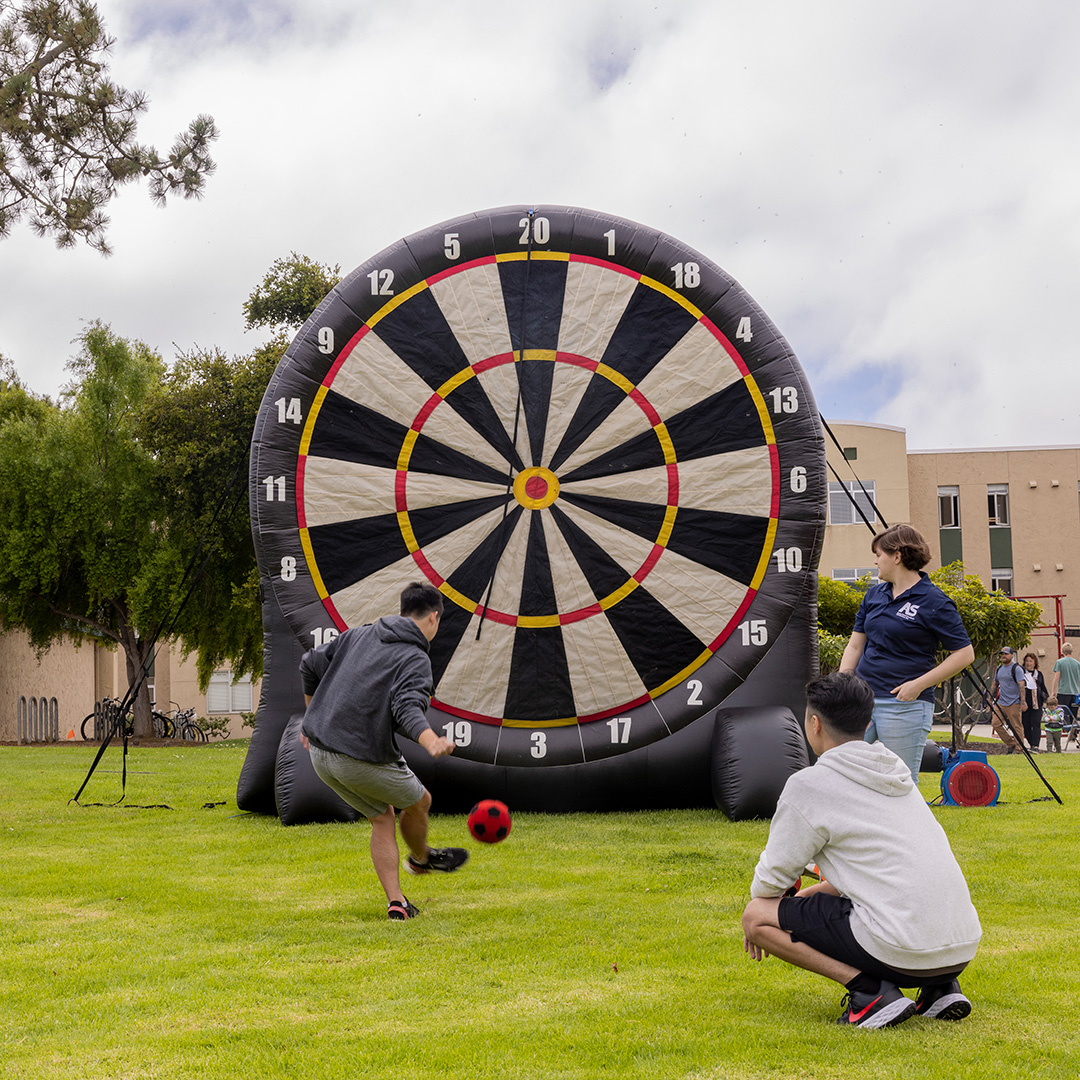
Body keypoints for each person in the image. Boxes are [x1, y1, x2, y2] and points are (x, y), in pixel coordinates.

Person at [741, 672, 981, 1029]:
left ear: (814, 723)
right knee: (873, 894)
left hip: (902, 950)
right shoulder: (893, 769)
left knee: (756, 915)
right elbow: (869, 875)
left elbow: (768, 886)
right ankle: (939, 989)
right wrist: (805, 900)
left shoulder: (810, 785)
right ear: (867, 723)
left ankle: (869, 993)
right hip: (960, 946)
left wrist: (785, 906)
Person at [299, 581, 468, 921]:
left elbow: (308, 663)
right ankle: (421, 859)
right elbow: (407, 708)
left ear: (404, 610)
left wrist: (310, 718)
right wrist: (431, 741)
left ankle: (397, 903)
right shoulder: (415, 658)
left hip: (319, 753)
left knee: (382, 816)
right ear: (433, 618)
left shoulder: (360, 634)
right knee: (420, 802)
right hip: (355, 757)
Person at [839, 524, 974, 781]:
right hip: (861, 702)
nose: (875, 560)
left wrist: (917, 685)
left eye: (879, 554)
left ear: (897, 556)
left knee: (898, 781)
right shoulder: (873, 596)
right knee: (843, 773)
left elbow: (965, 654)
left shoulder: (935, 602)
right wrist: (845, 684)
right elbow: (855, 645)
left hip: (904, 706)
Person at [990, 647, 1026, 753]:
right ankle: (1011, 744)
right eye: (1002, 654)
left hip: (1014, 703)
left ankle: (1019, 749)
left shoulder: (1017, 669)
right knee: (995, 723)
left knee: (1016, 726)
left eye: (1006, 654)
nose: (1003, 656)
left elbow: (1021, 685)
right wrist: (989, 698)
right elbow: (995, 684)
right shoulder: (999, 669)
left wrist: (1023, 702)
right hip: (1001, 702)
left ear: (1011, 655)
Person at [1019, 652, 1048, 752]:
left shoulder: (1039, 675)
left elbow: (1043, 687)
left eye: (1031, 661)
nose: (1028, 663)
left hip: (1037, 704)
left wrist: (1046, 698)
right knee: (1026, 724)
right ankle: (1031, 743)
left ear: (1035, 663)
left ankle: (1036, 745)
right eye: (1027, 661)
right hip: (1025, 704)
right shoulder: (1022, 674)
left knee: (1036, 724)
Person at [1051, 642, 1080, 725]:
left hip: (1063, 692)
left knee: (1061, 715)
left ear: (1062, 651)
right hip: (1075, 693)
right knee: (1073, 716)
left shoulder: (1059, 662)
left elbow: (1057, 677)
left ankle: (1062, 732)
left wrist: (1053, 691)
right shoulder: (1077, 664)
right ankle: (1072, 735)